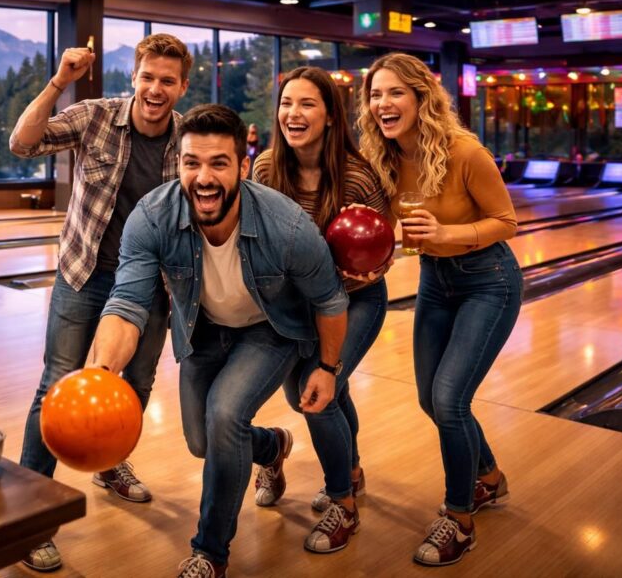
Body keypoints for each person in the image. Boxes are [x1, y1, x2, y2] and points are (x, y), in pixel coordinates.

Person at [90, 104, 349, 577]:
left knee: (225, 414)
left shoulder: (285, 225)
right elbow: (126, 304)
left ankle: (210, 553)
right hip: (203, 328)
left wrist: (328, 368)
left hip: (271, 329)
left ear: (243, 167)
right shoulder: (152, 217)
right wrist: (101, 375)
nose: (203, 177)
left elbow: (330, 301)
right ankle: (270, 448)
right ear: (179, 165)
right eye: (192, 163)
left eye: (218, 163)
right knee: (202, 441)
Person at [9, 33, 192, 572]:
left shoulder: (188, 139)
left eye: (167, 80)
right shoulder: (94, 116)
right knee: (58, 383)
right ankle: (28, 516)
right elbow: (23, 143)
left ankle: (110, 464)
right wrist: (59, 81)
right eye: (148, 77)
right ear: (134, 76)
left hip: (150, 284)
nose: (155, 89)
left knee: (134, 388)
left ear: (182, 87)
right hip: (84, 271)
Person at [358, 53, 520, 567]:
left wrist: (448, 234)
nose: (383, 103)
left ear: (420, 97)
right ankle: (488, 477)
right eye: (375, 95)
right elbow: (386, 231)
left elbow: (506, 221)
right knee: (433, 400)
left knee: (450, 400)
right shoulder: (380, 156)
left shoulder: (463, 152)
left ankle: (459, 518)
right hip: (435, 283)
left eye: (395, 93)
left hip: (487, 281)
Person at [252, 66, 391, 553]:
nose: (293, 113)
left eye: (307, 104)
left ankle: (342, 505)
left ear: (330, 116)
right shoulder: (267, 168)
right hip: (301, 305)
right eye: (287, 103)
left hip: (357, 301)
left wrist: (367, 271)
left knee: (318, 395)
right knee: (312, 393)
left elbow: (385, 244)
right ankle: (351, 469)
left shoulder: (355, 175)